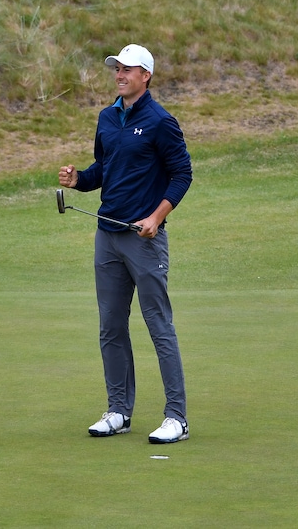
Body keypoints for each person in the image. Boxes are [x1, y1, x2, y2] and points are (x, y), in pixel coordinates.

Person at [59, 44, 193, 444]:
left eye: (127, 69)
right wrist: (79, 180)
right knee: (111, 327)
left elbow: (182, 174)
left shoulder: (159, 121)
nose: (119, 74)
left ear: (145, 76)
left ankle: (177, 418)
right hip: (108, 237)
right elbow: (106, 168)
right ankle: (119, 410)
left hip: (143, 240)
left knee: (159, 326)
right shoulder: (106, 117)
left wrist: (156, 217)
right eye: (117, 68)